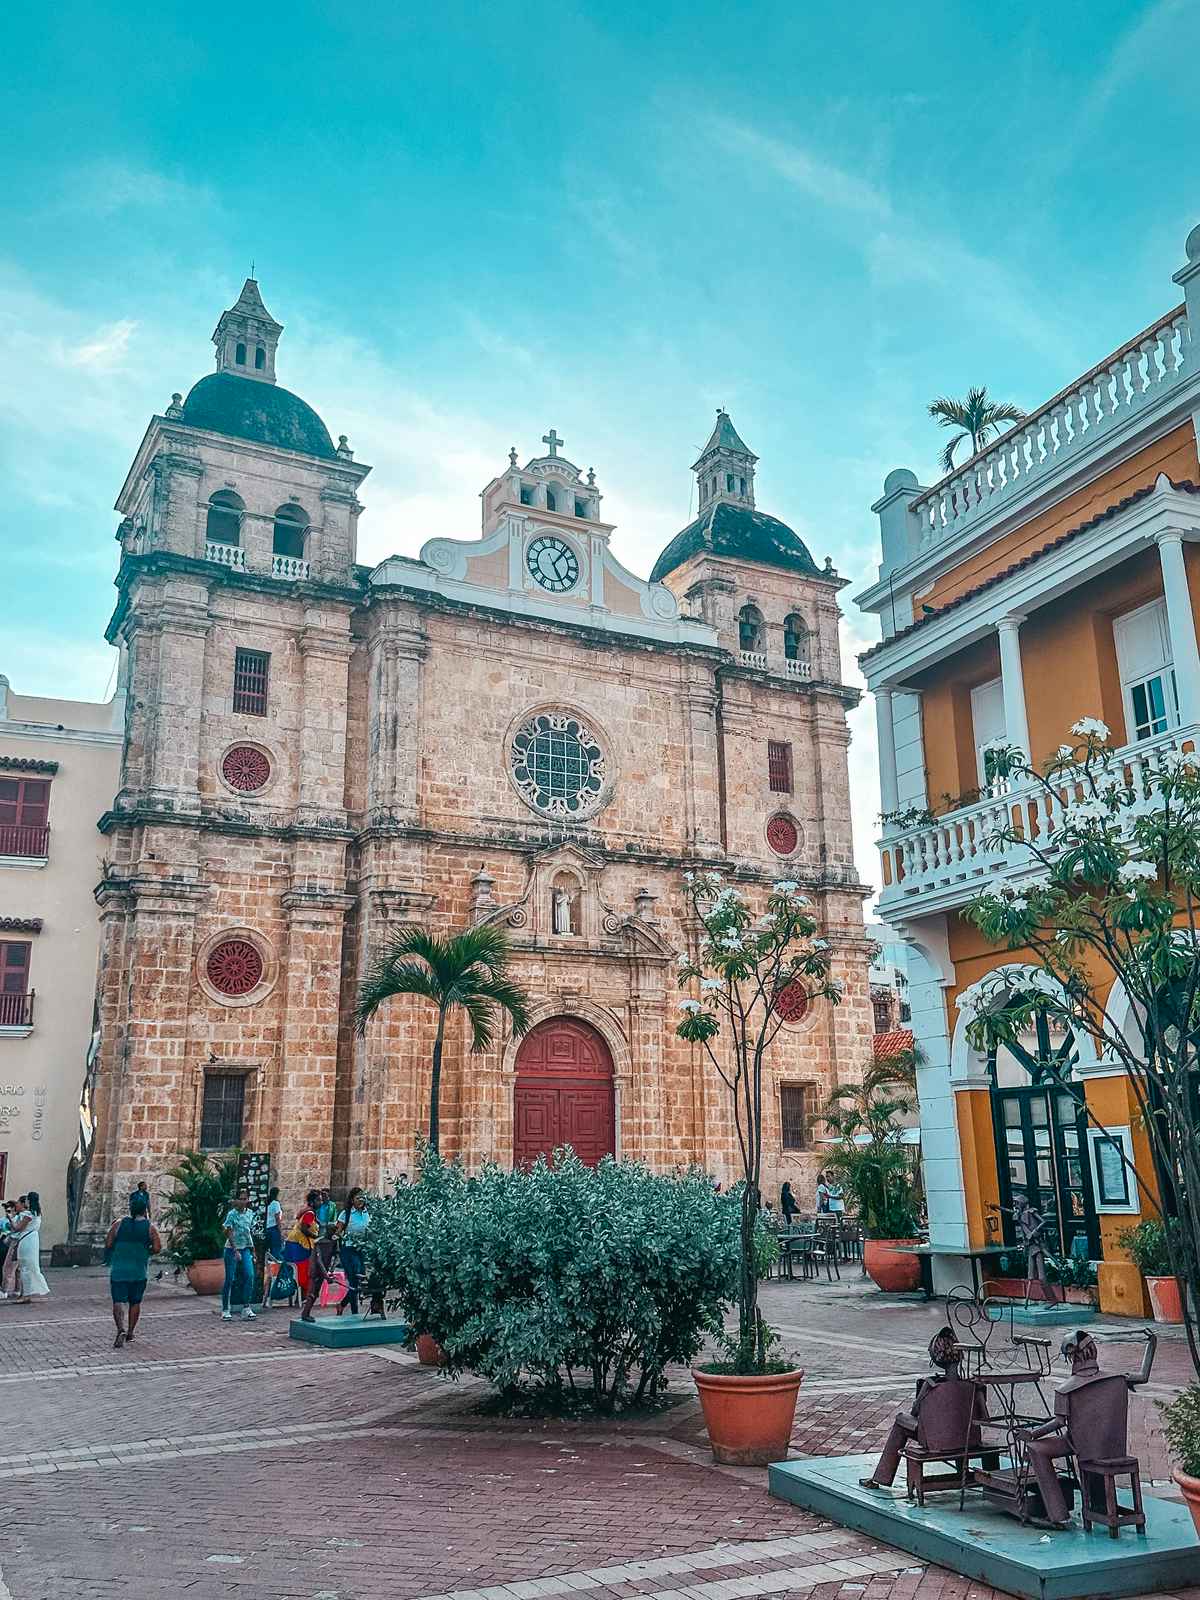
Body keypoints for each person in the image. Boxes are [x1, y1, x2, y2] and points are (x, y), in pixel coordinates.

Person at [106, 1191, 162, 1347]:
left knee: (118, 1300)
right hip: (138, 1270)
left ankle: (120, 1329)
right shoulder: (149, 1228)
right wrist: (145, 1250)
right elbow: (157, 1247)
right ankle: (130, 1332)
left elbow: (109, 1243)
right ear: (145, 1210)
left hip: (119, 1269)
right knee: (135, 1302)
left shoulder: (118, 1224)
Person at [221, 1188, 257, 1322]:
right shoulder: (232, 1214)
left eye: (245, 1199)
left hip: (246, 1248)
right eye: (240, 1199)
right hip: (232, 1248)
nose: (243, 1201)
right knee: (230, 1278)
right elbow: (228, 1232)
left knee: (250, 1275)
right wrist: (235, 1250)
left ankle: (246, 1307)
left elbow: (249, 1233)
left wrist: (253, 1250)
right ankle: (225, 1309)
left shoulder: (250, 1214)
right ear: (236, 1201)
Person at [336, 1187, 370, 1316]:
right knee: (354, 1280)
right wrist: (337, 1235)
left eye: (362, 1197)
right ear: (352, 1200)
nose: (361, 1200)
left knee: (360, 1281)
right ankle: (354, 1312)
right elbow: (338, 1231)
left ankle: (343, 1304)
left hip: (361, 1250)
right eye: (358, 1198)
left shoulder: (367, 1213)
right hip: (349, 1250)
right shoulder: (346, 1214)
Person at [10, 1191, 50, 1303]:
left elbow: (18, 1228)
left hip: (26, 1240)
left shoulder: (28, 1215)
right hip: (32, 1239)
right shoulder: (37, 1213)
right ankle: (25, 1293)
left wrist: (11, 1218)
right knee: (28, 1266)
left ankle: (25, 1295)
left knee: (25, 1268)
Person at [284, 1190, 321, 1300]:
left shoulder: (308, 1212)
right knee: (303, 1271)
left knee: (299, 1270)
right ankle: (301, 1298)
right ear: (312, 1201)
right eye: (318, 1200)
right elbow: (304, 1228)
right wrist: (316, 1237)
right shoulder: (310, 1213)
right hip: (299, 1244)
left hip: (294, 1242)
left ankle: (299, 1297)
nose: (320, 1202)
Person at [261, 1186, 284, 1310]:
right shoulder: (275, 1204)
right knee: (276, 1254)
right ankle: (276, 1274)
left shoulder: (267, 1203)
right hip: (274, 1230)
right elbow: (277, 1219)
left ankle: (269, 1271)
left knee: (268, 1254)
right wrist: (281, 1233)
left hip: (267, 1229)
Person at [1, 1200, 22, 1297]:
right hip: (4, 1244)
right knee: (6, 1266)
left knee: (14, 1268)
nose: (8, 1213)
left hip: (14, 1243)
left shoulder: (19, 1218)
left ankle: (11, 1290)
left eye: (10, 1210)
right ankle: (5, 1288)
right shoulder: (2, 1220)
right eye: (6, 1210)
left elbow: (16, 1230)